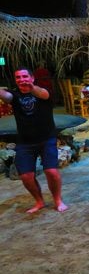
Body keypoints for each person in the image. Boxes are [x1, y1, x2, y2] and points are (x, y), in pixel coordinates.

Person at [0, 67, 68, 213]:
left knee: (51, 172)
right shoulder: (15, 94)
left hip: (46, 138)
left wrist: (31, 88)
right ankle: (39, 201)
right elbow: (6, 97)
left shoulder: (43, 91)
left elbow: (43, 95)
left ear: (32, 78)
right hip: (25, 141)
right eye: (18, 77)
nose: (21, 80)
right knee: (26, 176)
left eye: (25, 76)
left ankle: (57, 200)